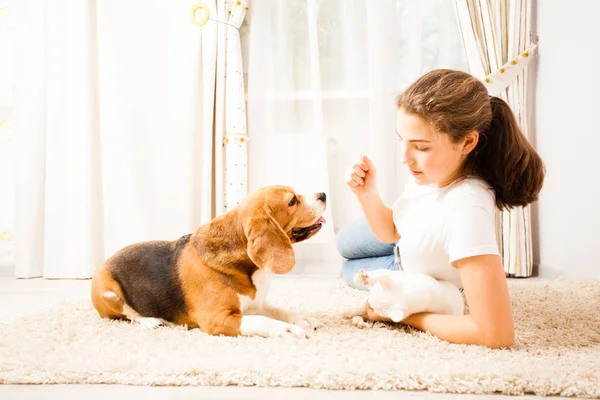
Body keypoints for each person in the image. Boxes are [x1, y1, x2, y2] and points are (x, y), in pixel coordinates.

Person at [336, 69, 545, 349]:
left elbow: (495, 335)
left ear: (468, 142)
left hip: (412, 274)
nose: (404, 158)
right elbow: (390, 232)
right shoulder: (434, 174)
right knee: (343, 243)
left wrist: (408, 315)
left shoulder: (466, 207)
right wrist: (366, 193)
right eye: (403, 140)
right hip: (403, 244)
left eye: (421, 147)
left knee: (349, 270)